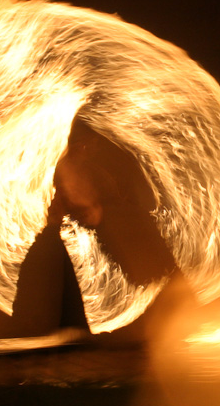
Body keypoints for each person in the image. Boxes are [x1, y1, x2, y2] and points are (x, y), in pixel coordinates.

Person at [11, 118, 178, 336]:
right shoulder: (66, 169)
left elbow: (103, 201)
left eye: (95, 143)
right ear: (80, 144)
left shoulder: (90, 171)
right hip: (80, 234)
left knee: (145, 262)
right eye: (89, 143)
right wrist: (91, 210)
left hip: (100, 230)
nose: (93, 148)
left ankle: (168, 308)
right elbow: (77, 203)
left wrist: (102, 210)